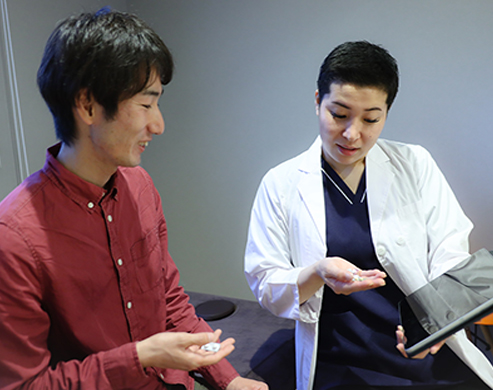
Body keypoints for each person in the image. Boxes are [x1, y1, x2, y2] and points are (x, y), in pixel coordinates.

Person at [0, 8, 268, 390]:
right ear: (88, 106)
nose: (158, 125)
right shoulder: (15, 237)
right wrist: (140, 357)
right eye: (145, 105)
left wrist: (228, 379)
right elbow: (26, 385)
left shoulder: (140, 186)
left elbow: (170, 299)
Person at [244, 41, 493, 390]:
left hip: (420, 351)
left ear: (386, 114)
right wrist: (317, 272)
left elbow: (448, 249)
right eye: (339, 114)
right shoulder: (281, 183)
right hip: (339, 359)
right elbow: (265, 281)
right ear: (318, 101)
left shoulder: (414, 164)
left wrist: (441, 320)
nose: (352, 134)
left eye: (371, 119)